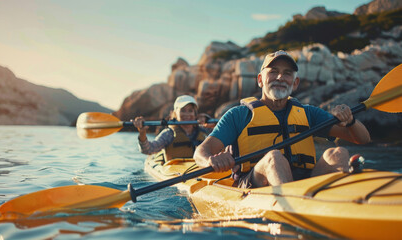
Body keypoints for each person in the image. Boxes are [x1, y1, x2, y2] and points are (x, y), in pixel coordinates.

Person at [193, 50, 371, 188]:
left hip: (304, 182)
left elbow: (363, 139)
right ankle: (293, 213)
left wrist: (350, 121)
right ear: (260, 80)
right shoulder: (238, 115)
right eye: (273, 72)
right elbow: (200, 152)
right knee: (274, 158)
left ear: (295, 83)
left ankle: (345, 201)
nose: (280, 77)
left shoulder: (309, 113)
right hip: (254, 185)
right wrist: (211, 160)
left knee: (338, 153)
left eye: (287, 73)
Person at [132, 95, 213, 164]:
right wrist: (142, 133)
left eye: (190, 110)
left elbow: (222, 135)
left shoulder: (204, 130)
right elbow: (148, 149)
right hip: (175, 171)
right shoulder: (169, 134)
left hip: (198, 168)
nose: (187, 114)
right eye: (183, 110)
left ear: (195, 114)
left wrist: (208, 120)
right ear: (175, 114)